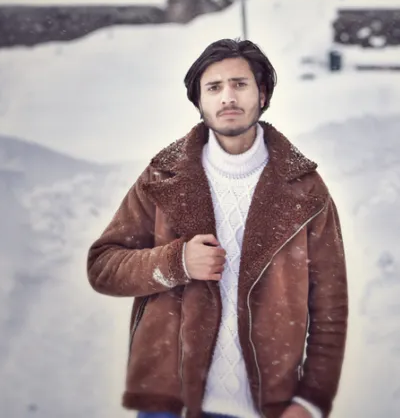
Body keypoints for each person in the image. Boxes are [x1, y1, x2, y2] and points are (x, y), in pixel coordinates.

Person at [87, 38, 348, 418]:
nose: (228, 97)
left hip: (267, 406)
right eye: (214, 87)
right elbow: (104, 266)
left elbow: (330, 306)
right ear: (199, 101)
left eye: (240, 84)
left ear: (262, 93)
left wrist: (311, 399)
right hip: (170, 402)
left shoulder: (305, 190)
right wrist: (177, 263)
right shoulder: (163, 177)